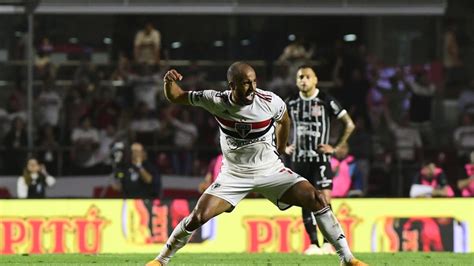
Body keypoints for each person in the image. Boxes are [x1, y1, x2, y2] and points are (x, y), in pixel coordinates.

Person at [146, 62, 366, 266]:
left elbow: (285, 119)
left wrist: (280, 147)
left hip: (270, 171)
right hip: (234, 175)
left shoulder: (270, 101)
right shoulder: (215, 100)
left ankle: (347, 259)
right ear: (231, 85)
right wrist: (168, 82)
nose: (251, 87)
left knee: (317, 198)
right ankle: (161, 260)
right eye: (245, 83)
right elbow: (177, 96)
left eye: (254, 81)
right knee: (198, 217)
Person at [285, 65, 355, 255]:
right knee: (305, 200)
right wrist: (283, 145)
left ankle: (327, 244)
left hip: (321, 159)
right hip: (299, 159)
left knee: (324, 199)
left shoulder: (325, 100)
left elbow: (349, 124)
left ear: (315, 80)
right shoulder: (290, 102)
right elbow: (276, 123)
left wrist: (336, 147)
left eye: (307, 77)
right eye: (300, 77)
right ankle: (314, 244)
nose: (303, 80)